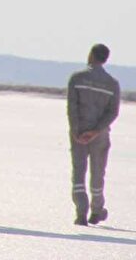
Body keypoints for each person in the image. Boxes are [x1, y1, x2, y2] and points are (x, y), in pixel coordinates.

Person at [67, 43, 121, 226]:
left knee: (79, 172)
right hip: (100, 136)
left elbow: (72, 108)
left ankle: (81, 211)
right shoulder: (112, 84)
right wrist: (97, 130)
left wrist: (77, 131)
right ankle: (97, 209)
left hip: (79, 134)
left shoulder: (77, 78)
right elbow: (113, 112)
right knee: (98, 173)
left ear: (91, 55)